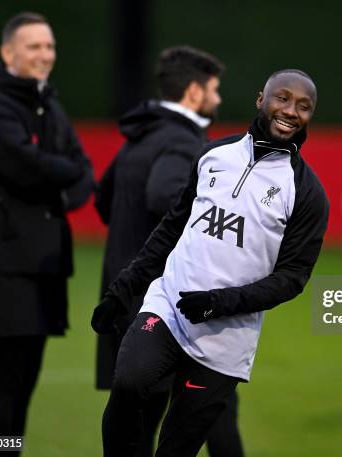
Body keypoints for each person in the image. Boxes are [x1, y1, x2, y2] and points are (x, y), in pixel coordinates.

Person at [91, 68, 329, 457]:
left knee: (177, 447)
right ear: (261, 99)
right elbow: (170, 229)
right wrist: (124, 290)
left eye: (304, 106)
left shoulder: (307, 192)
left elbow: (293, 277)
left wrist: (221, 302)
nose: (290, 110)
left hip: (226, 338)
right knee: (130, 383)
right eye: (282, 98)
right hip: (167, 308)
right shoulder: (212, 154)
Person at [94, 45, 243, 457]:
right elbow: (164, 195)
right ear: (194, 93)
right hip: (166, 307)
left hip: (125, 295)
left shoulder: (139, 135)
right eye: (213, 89)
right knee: (217, 412)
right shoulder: (183, 142)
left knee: (137, 424)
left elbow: (104, 201)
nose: (218, 99)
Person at [0, 11, 94, 455]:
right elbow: (30, 167)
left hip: (43, 267)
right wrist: (61, 175)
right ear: (7, 52)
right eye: (34, 46)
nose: (45, 55)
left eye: (50, 46)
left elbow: (81, 173)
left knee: (23, 390)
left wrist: (57, 178)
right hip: (3, 271)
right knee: (2, 392)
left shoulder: (48, 104)